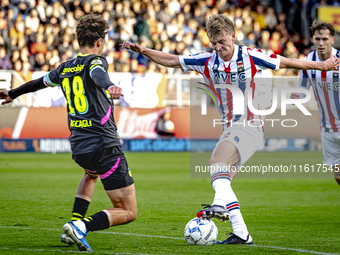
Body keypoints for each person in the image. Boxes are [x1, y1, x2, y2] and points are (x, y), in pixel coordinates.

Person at [121, 14, 339, 245]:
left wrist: (322, 65)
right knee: (222, 179)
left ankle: (218, 206)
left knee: (216, 164)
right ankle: (241, 233)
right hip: (231, 127)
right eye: (214, 42)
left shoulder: (250, 55)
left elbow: (288, 62)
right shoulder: (206, 60)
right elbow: (172, 60)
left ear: (233, 36)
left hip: (249, 124)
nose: (219, 47)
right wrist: (143, 50)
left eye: (222, 41)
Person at [0, 13, 137, 252]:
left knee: (91, 175)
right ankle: (82, 226)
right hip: (104, 144)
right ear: (99, 42)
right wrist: (109, 86)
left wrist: (13, 93)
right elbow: (97, 73)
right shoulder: (96, 61)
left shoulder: (65, 68)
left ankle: (74, 224)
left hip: (79, 146)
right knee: (128, 210)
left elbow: (38, 83)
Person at [291, 20, 340, 186]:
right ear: (313, 39)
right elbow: (302, 89)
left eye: (325, 39)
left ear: (332, 40)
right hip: (327, 129)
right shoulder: (308, 61)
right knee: (338, 177)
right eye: (318, 38)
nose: (321, 43)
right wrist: (294, 96)